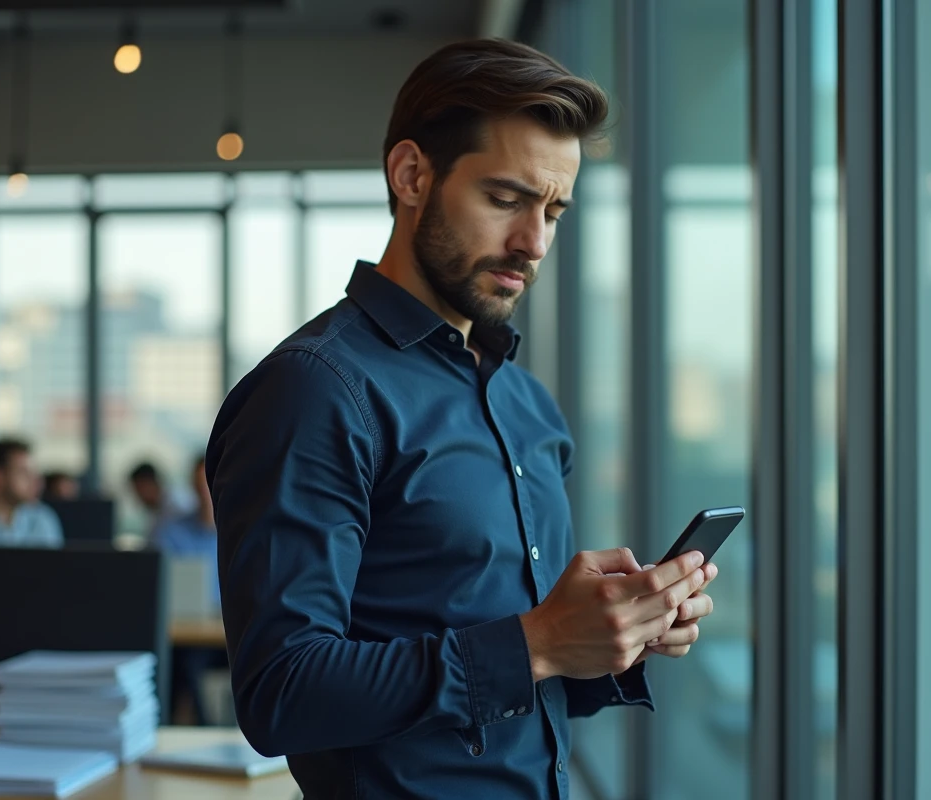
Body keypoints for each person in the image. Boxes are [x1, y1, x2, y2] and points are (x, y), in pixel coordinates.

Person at [206, 39, 718, 798]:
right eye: (506, 199)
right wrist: (538, 642)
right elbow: (283, 692)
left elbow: (517, 686)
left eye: (553, 210)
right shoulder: (313, 391)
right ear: (412, 175)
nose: (534, 242)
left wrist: (614, 638)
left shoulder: (529, 407)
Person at [155, 455, 224, 725]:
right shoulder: (171, 531)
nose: (206, 494)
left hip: (234, 637)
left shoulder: (249, 530)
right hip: (189, 637)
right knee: (188, 662)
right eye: (200, 486)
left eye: (211, 485)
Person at [128, 461, 189, 543]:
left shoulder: (176, 506)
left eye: (138, 489)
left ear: (148, 484)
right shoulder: (155, 512)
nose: (138, 496)